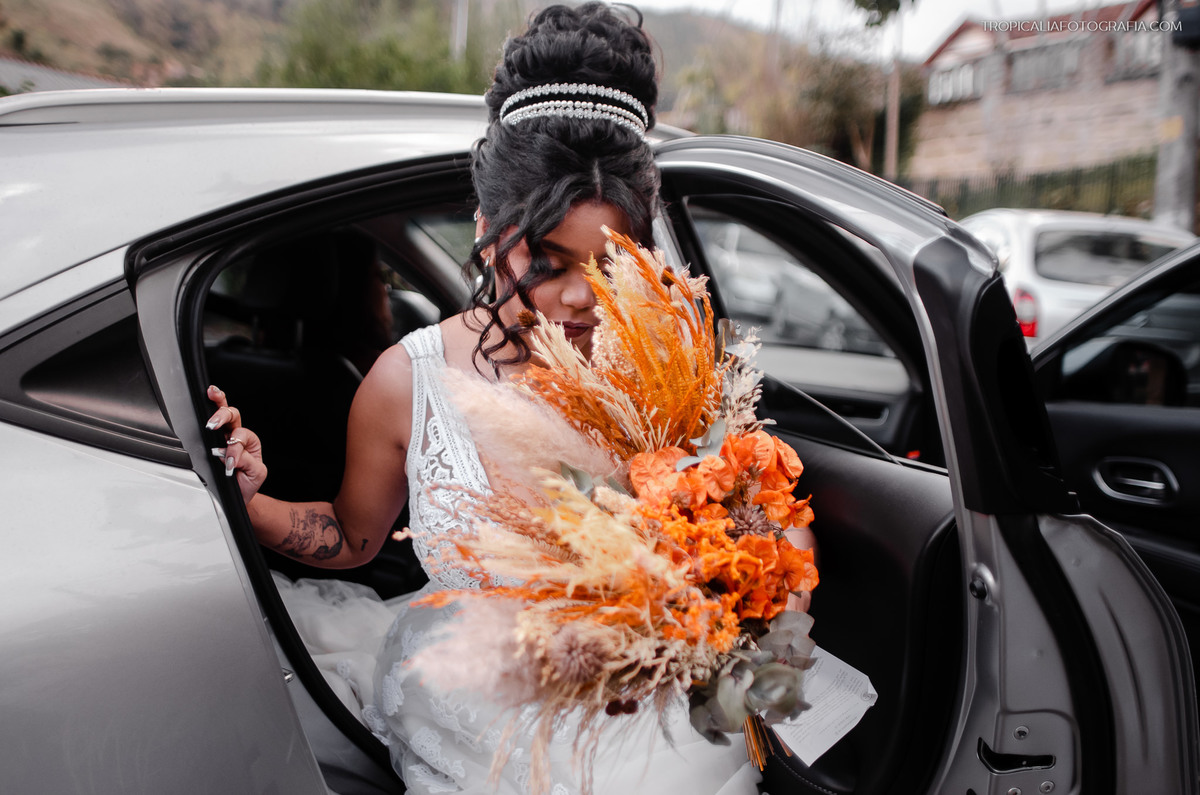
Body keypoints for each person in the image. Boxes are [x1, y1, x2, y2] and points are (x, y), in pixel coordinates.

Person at [208, 5, 812, 792]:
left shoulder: (670, 371)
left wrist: (743, 586)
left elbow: (740, 521)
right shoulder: (406, 380)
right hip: (473, 696)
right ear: (487, 223)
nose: (574, 298)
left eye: (607, 266)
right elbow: (357, 539)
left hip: (638, 697)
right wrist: (254, 506)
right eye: (548, 258)